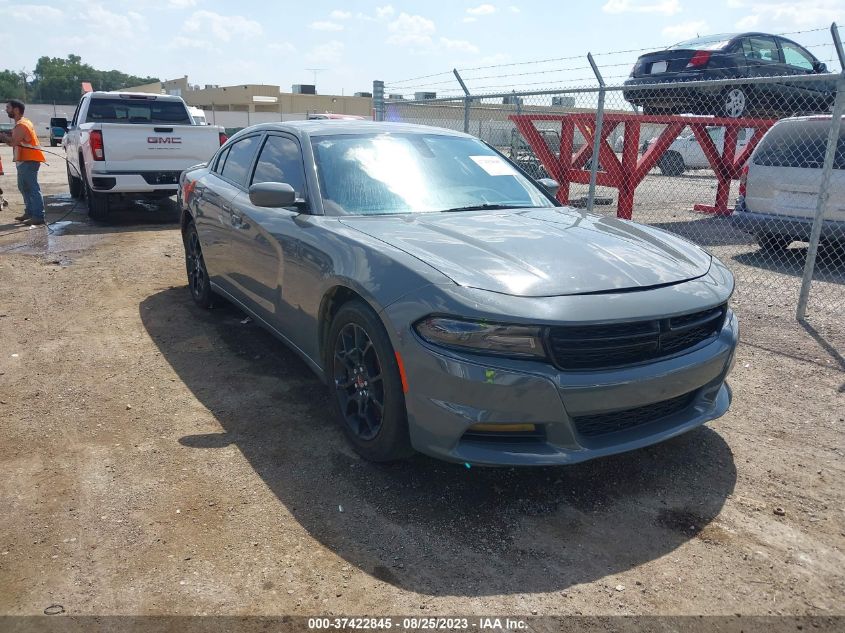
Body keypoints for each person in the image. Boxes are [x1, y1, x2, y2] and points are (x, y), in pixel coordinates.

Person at [0, 99, 46, 226]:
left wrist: (3, 137)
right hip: (24, 161)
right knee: (23, 187)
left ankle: (38, 216)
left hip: (29, 160)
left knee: (32, 188)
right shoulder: (22, 123)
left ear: (16, 110)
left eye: (8, 108)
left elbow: (13, 142)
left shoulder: (22, 125)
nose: (6, 110)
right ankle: (30, 212)